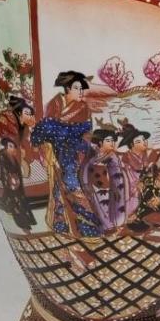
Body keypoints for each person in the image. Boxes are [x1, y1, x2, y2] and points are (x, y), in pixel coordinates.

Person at [31, 71, 101, 237]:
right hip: (56, 152)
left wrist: (79, 141)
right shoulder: (55, 103)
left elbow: (87, 133)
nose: (81, 92)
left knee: (74, 185)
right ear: (67, 88)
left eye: (82, 89)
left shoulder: (83, 108)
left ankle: (85, 223)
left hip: (75, 153)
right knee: (60, 188)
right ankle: (62, 222)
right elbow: (46, 129)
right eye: (77, 88)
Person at [80, 126, 128, 232]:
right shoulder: (93, 158)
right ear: (100, 143)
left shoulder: (113, 156)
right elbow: (85, 171)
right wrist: (86, 185)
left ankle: (118, 224)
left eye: (113, 141)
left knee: (118, 205)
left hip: (116, 185)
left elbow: (119, 172)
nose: (112, 143)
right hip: (99, 186)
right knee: (102, 207)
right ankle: (107, 227)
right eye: (108, 141)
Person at [0, 135, 36, 232]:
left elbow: (18, 172)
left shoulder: (13, 158)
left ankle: (27, 223)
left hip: (17, 184)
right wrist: (10, 181)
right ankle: (23, 225)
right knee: (16, 205)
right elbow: (4, 171)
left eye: (13, 146)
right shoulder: (3, 156)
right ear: (5, 147)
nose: (13, 149)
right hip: (11, 185)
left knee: (21, 202)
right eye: (10, 146)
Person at [117, 123, 152, 221]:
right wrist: (136, 185)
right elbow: (126, 179)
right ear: (132, 145)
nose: (144, 142)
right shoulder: (126, 159)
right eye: (139, 141)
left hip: (144, 185)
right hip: (131, 190)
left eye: (144, 140)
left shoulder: (145, 155)